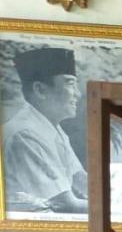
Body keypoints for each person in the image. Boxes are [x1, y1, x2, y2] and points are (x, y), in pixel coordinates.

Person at [3, 46, 87, 213]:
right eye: (70, 84)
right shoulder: (24, 135)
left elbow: (81, 181)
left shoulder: (52, 129)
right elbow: (65, 205)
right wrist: (116, 208)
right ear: (40, 90)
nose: (77, 94)